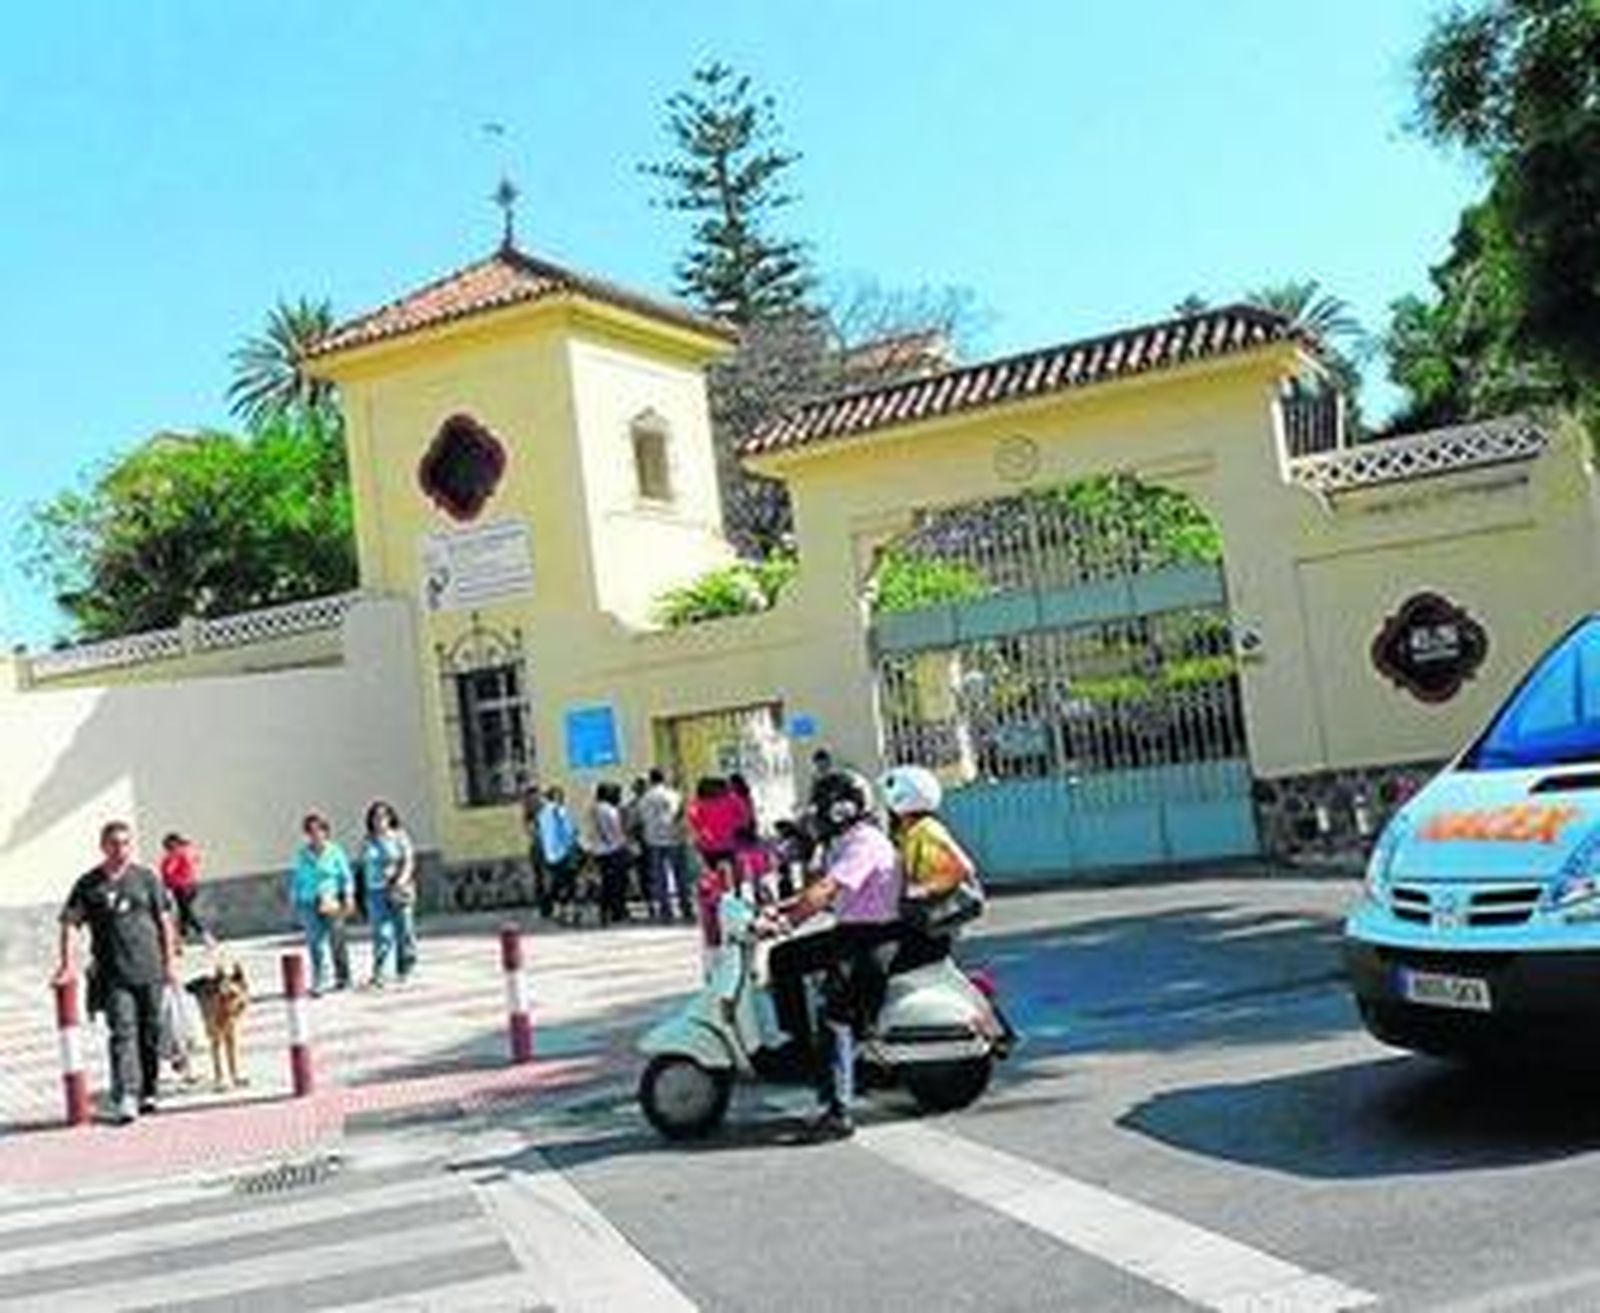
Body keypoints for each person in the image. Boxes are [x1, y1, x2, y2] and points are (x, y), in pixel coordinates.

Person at [764, 772, 903, 1140]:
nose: (817, 816)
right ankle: (800, 1048)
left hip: (872, 940)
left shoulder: (864, 843)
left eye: (822, 808)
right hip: (850, 934)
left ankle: (837, 1111)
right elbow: (818, 892)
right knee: (784, 958)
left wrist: (790, 921)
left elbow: (828, 889)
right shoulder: (844, 841)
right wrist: (779, 909)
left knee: (835, 1013)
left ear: (842, 810)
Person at [54, 821, 179, 1124]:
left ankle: (149, 1090)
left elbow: (164, 920)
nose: (120, 849)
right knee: (123, 1032)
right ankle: (126, 1095)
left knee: (150, 1032)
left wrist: (170, 962)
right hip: (113, 975)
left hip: (150, 970)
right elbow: (70, 924)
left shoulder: (146, 878)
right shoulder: (89, 884)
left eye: (125, 843)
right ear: (103, 846)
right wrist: (68, 964)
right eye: (114, 843)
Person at [878, 764, 980, 970]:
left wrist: (921, 890)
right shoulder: (909, 832)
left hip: (931, 917)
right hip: (920, 919)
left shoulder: (926, 831)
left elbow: (962, 868)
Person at [288, 812, 354, 995]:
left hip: (330, 899)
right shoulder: (303, 854)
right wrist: (294, 901)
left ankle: (343, 977)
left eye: (318, 830)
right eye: (310, 831)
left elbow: (346, 877)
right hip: (308, 902)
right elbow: (297, 879)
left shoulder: (335, 851)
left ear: (326, 831)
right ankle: (320, 980)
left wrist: (348, 896)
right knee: (315, 943)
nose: (315, 834)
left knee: (337, 939)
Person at [361, 800, 418, 987]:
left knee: (405, 929)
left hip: (398, 889)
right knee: (381, 932)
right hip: (375, 890)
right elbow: (365, 865)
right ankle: (382, 972)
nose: (380, 820)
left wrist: (401, 880)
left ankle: (406, 967)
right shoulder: (368, 840)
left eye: (383, 816)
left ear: (390, 817)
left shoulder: (399, 836)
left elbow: (409, 860)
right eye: (375, 817)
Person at [639, 768, 691, 922]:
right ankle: (685, 907)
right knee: (680, 874)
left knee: (659, 876)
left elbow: (642, 818)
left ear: (651, 779)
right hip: (674, 838)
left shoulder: (645, 798)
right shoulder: (673, 794)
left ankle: (665, 910)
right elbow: (679, 814)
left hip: (653, 840)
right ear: (664, 778)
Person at [589, 782, 632, 924]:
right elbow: (615, 831)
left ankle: (605, 910)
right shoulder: (609, 810)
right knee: (617, 884)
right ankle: (617, 911)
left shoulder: (593, 809)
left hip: (599, 851)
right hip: (613, 850)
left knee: (606, 883)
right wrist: (624, 843)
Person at [687, 777, 742, 887]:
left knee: (712, 870)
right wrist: (732, 829)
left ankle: (716, 887)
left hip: (708, 845)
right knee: (734, 865)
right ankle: (736, 889)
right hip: (730, 842)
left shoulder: (698, 803)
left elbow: (693, 819)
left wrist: (703, 833)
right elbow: (741, 817)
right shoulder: (732, 799)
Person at [158, 831, 210, 945]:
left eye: (167, 846)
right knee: (184, 914)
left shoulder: (176, 854)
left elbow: (169, 871)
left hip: (181, 887)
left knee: (188, 913)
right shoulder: (189, 850)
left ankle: (206, 936)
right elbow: (197, 861)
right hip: (192, 885)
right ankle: (181, 941)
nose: (166, 849)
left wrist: (166, 883)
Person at [538, 785, 581, 921]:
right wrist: (574, 840)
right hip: (564, 853)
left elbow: (541, 834)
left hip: (549, 854)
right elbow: (569, 831)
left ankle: (558, 911)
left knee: (556, 883)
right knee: (569, 883)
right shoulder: (559, 810)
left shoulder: (542, 813)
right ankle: (570, 911)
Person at [522, 784, 551, 917]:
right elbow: (529, 828)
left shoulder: (546, 808)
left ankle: (547, 906)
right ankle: (545, 907)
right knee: (541, 879)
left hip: (545, 847)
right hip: (539, 848)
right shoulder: (530, 810)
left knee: (545, 879)